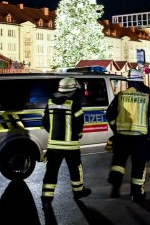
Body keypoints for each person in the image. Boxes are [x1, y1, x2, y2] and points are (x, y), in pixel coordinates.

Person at [106, 69, 150, 203]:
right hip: (140, 139)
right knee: (139, 166)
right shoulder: (148, 98)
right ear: (141, 81)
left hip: (122, 138)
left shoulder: (120, 96)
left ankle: (115, 188)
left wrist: (116, 129)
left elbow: (110, 115)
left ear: (129, 82)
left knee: (118, 163)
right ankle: (137, 194)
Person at [41, 77, 91, 210]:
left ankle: (46, 199)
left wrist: (54, 134)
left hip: (53, 146)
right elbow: (79, 126)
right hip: (71, 146)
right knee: (75, 170)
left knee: (51, 172)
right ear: (72, 90)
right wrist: (77, 135)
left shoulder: (50, 103)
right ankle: (78, 192)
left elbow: (45, 123)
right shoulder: (75, 105)